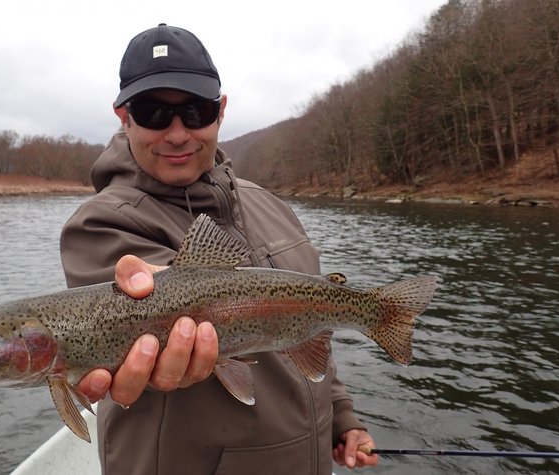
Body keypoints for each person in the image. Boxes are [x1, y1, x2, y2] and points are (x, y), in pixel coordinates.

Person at [60, 23, 378, 474]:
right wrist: (159, 304)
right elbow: (128, 349)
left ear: (221, 111)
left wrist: (342, 420)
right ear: (123, 116)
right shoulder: (99, 225)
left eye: (195, 111)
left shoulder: (270, 205)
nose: (176, 133)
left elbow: (310, 325)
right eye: (152, 112)